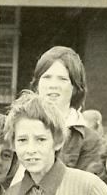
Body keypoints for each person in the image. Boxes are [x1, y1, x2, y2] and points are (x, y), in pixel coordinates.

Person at [29, 46, 101, 174]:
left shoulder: (90, 140)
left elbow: (83, 188)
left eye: (62, 79)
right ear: (37, 84)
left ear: (75, 87)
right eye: (47, 77)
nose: (53, 85)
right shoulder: (17, 127)